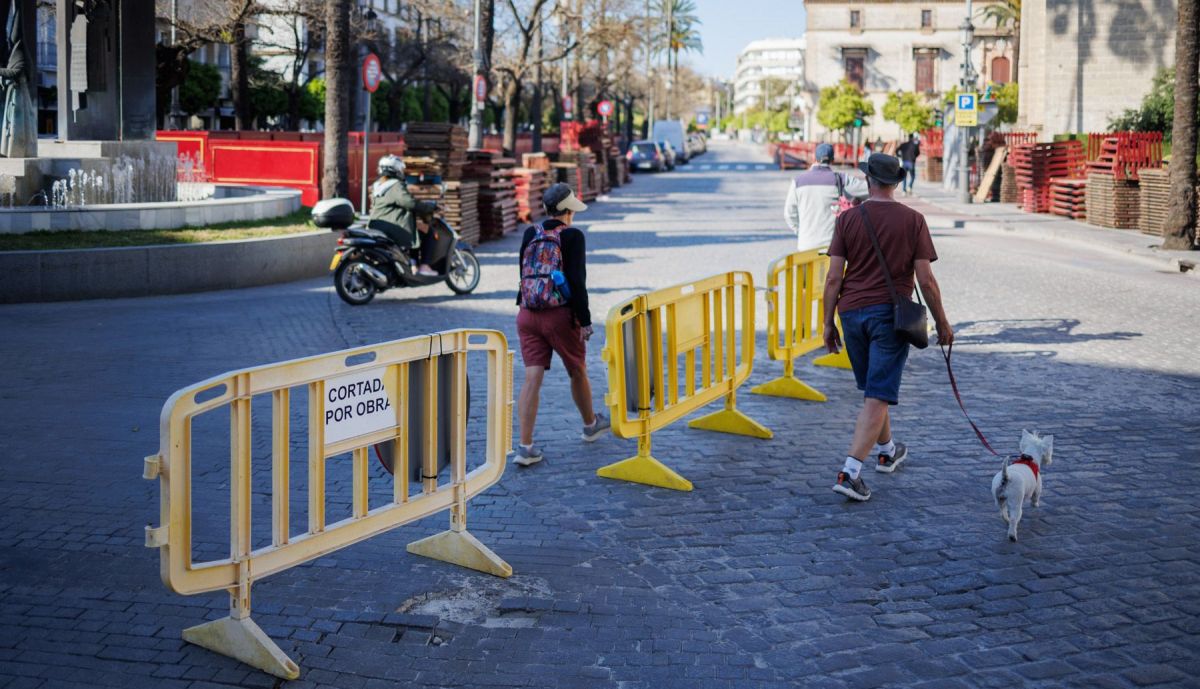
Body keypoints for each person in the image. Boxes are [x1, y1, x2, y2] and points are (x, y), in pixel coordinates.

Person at [822, 153, 953, 502]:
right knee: (878, 394)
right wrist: (942, 322)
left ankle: (888, 450)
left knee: (873, 392)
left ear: (868, 180)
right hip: (889, 316)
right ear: (896, 183)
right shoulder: (913, 220)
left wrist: (826, 324)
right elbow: (926, 279)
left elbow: (834, 277)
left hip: (850, 315)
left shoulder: (847, 219)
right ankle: (850, 473)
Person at [514, 183, 610, 466]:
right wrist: (585, 321)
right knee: (577, 370)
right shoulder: (573, 236)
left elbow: (523, 273)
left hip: (527, 313)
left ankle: (525, 447)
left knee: (532, 378)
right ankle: (591, 425)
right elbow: (577, 281)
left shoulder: (531, 233)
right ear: (569, 211)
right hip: (559, 315)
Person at [784, 143, 869, 251]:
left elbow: (789, 214)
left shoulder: (798, 181)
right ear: (832, 160)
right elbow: (869, 189)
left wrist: (801, 231)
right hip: (832, 247)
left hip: (806, 246)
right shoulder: (841, 179)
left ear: (815, 158)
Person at [368, 155, 439, 276]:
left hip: (377, 224)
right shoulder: (395, 185)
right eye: (400, 169)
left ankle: (412, 263)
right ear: (395, 170)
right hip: (392, 227)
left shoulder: (377, 186)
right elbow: (409, 203)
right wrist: (430, 207)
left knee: (414, 229)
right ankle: (424, 266)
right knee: (428, 232)